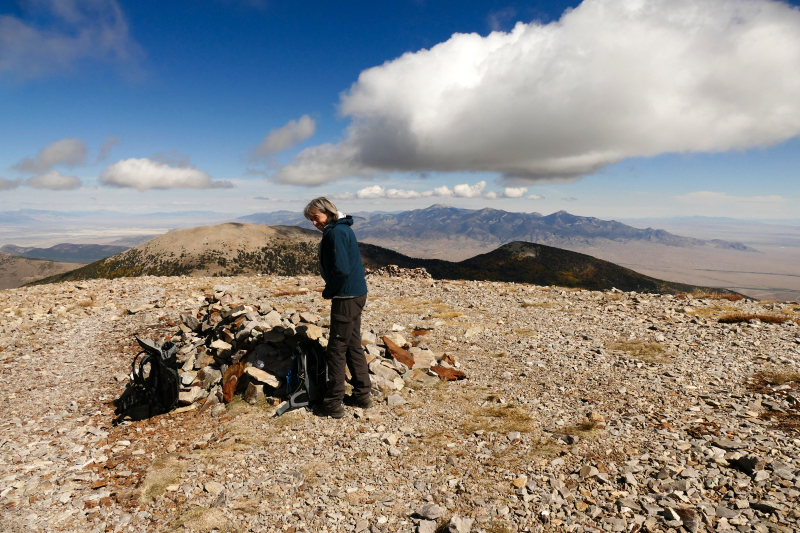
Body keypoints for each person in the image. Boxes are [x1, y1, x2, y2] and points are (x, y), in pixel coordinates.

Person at [303, 197, 372, 418]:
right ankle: (362, 395)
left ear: (328, 212)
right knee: (352, 344)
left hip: (346, 296)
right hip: (355, 294)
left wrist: (329, 290)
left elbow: (341, 269)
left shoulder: (335, 232)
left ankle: (333, 403)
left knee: (336, 349)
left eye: (316, 218)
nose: (314, 223)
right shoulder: (341, 228)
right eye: (311, 220)